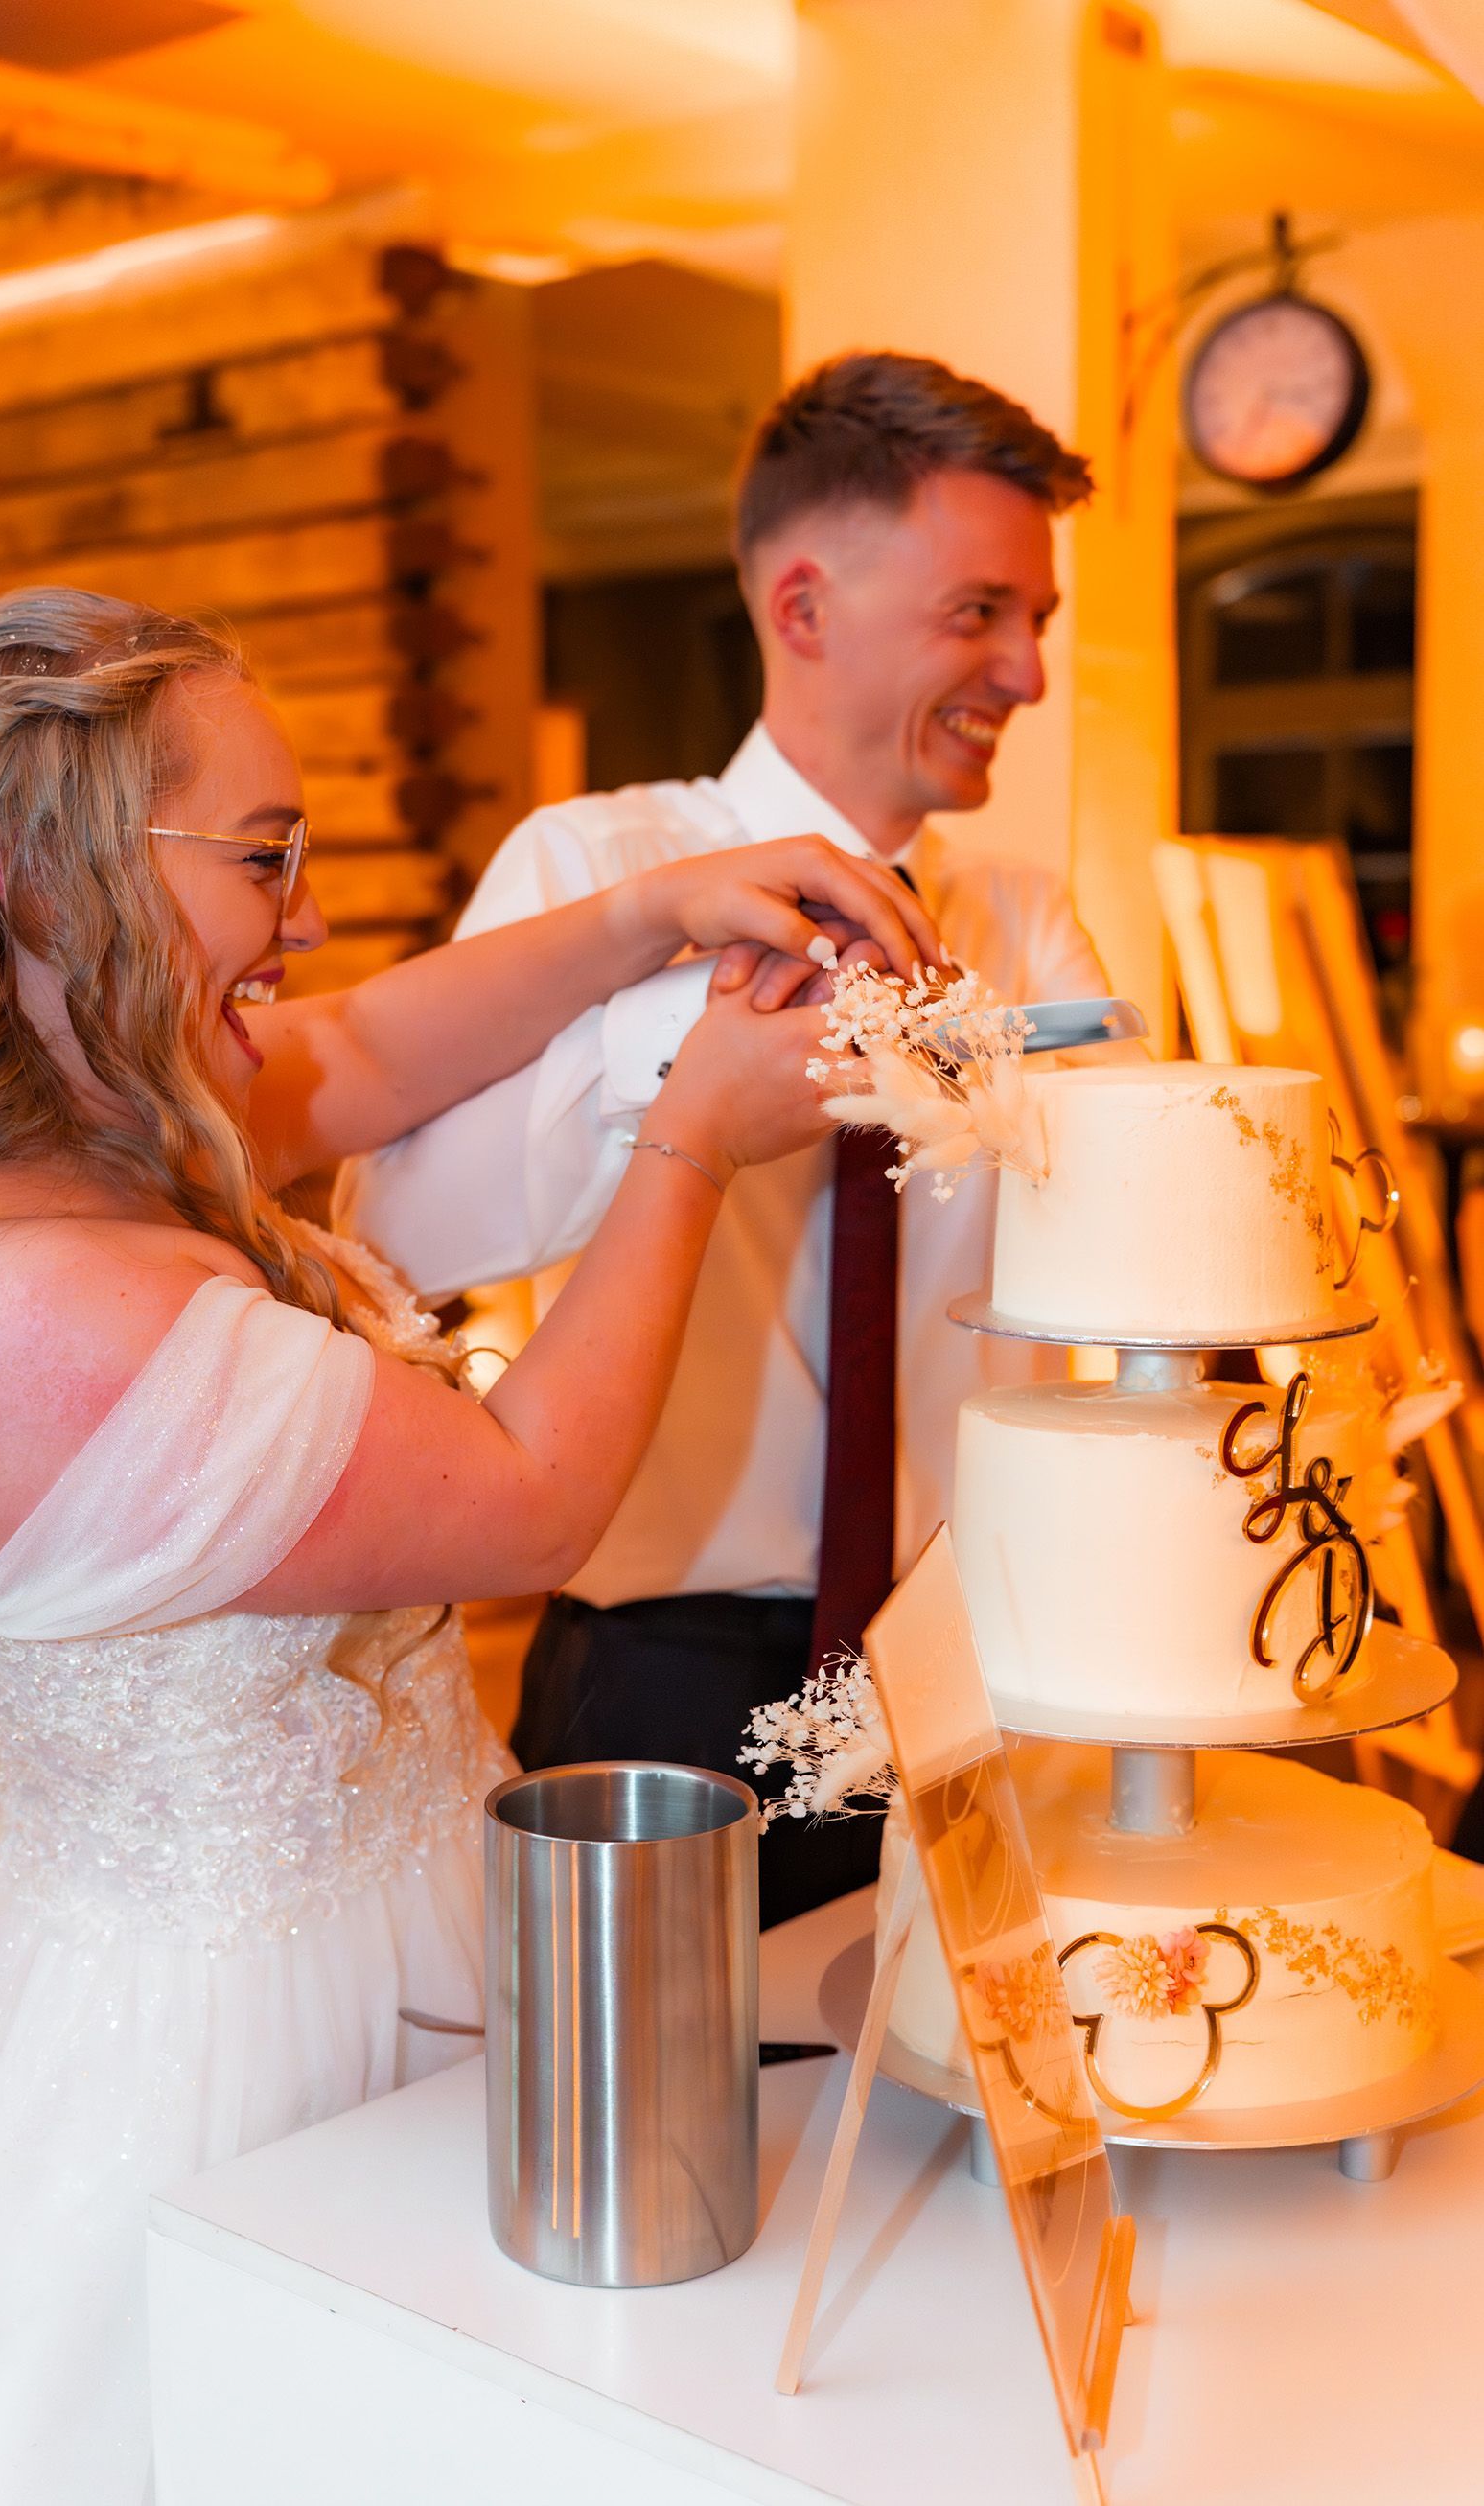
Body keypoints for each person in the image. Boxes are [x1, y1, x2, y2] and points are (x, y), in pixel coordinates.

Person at [0, 584, 939, 2504]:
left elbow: (361, 1046)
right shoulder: (26, 1306)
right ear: (37, 874)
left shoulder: (96, 1134)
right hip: (213, 2049)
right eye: (262, 859)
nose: (308, 914)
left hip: (366, 1908)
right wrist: (684, 1142)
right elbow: (521, 1494)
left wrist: (644, 911)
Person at [340, 352, 1109, 1925]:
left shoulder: (1030, 925)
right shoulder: (594, 866)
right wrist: (685, 1059)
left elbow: (1112, 1250)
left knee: (938, 2146)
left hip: (977, 1660)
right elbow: (401, 1232)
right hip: (662, 1678)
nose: (1028, 672)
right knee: (664, 2160)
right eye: (982, 612)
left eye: (1038, 621)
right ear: (806, 607)